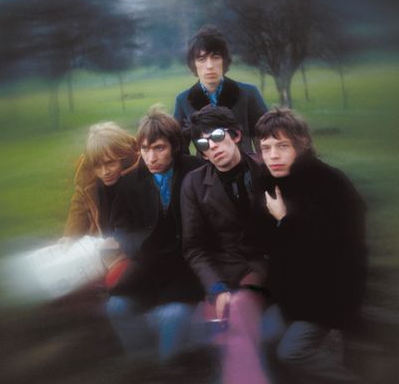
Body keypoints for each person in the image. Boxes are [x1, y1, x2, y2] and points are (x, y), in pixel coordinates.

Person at [256, 108, 367, 384]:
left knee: (292, 352)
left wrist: (285, 219)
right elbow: (267, 243)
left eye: (283, 146)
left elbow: (335, 253)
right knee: (261, 338)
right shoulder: (268, 182)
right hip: (290, 296)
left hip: (330, 295)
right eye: (266, 148)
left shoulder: (332, 185)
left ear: (301, 144)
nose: (273, 156)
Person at [181, 105, 272, 384]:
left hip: (274, 266)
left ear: (235, 134)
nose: (212, 147)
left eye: (217, 136)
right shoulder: (194, 184)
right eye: (202, 143)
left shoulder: (267, 169)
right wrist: (216, 287)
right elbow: (193, 247)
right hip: (228, 272)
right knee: (228, 313)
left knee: (239, 308)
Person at [106, 106, 203, 360]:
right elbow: (121, 227)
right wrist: (135, 251)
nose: (151, 157)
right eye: (145, 149)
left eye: (159, 148)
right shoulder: (128, 183)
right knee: (116, 306)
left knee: (174, 316)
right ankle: (144, 361)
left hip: (187, 267)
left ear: (174, 146)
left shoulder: (197, 171)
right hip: (146, 266)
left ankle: (169, 364)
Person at [174, 25, 267, 154]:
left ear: (224, 60)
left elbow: (264, 137)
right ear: (193, 64)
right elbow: (180, 148)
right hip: (205, 171)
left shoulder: (249, 93)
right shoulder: (183, 100)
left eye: (216, 57)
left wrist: (261, 168)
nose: (210, 66)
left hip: (247, 169)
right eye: (201, 59)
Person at [63, 121, 138, 238]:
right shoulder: (87, 177)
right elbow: (78, 209)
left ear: (124, 158)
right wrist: (69, 237)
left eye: (110, 163)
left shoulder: (143, 171)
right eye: (97, 166)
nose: (104, 172)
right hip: (103, 243)